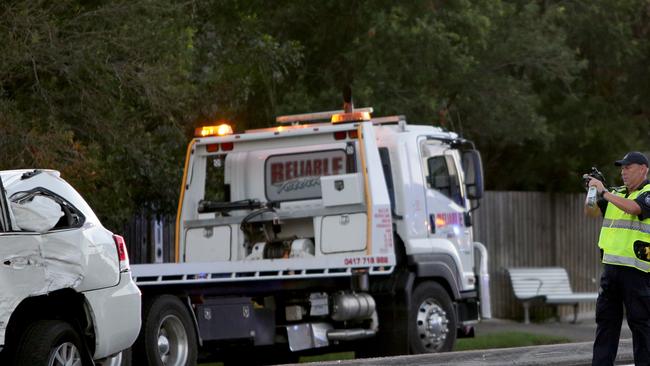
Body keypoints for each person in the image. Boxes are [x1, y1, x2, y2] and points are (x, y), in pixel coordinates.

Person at [587, 151, 650, 366]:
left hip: (638, 272)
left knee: (641, 325)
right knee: (606, 323)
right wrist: (593, 193)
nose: (623, 172)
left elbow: (634, 208)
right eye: (622, 168)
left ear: (643, 169)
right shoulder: (617, 193)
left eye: (628, 167)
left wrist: (604, 192)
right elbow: (590, 213)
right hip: (611, 270)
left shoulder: (648, 193)